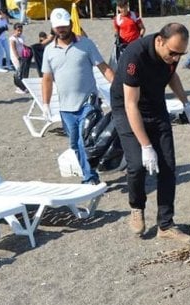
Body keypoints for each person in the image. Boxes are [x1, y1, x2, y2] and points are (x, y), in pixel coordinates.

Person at [111, 23, 190, 242]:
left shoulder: (171, 55)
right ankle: (137, 207)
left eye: (181, 54)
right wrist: (146, 146)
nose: (176, 58)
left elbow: (171, 77)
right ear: (160, 41)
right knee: (137, 165)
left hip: (156, 106)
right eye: (173, 53)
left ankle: (166, 225)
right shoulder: (134, 56)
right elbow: (131, 105)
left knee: (168, 166)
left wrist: (186, 103)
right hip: (127, 109)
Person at [41, 8, 114, 185]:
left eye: (64, 26)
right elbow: (47, 79)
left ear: (71, 24)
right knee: (74, 144)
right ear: (53, 28)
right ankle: (91, 173)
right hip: (66, 108)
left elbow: (103, 68)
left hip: (88, 103)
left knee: (83, 142)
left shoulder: (86, 44)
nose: (62, 30)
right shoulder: (49, 51)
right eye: (58, 27)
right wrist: (45, 104)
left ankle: (90, 179)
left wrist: (120, 87)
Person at [9, 22, 30, 94]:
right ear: (14, 30)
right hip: (16, 57)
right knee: (19, 71)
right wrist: (18, 58)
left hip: (22, 56)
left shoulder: (22, 37)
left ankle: (23, 86)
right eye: (18, 30)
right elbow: (14, 49)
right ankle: (19, 87)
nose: (19, 32)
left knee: (23, 71)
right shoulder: (12, 39)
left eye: (21, 30)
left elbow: (23, 45)